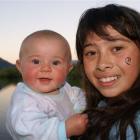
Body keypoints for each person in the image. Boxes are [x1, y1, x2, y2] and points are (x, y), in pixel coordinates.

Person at [6, 30, 88, 140]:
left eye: (55, 62)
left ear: (68, 69)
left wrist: (80, 111)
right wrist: (65, 129)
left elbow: (78, 96)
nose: (45, 68)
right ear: (20, 67)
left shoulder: (64, 88)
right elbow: (30, 132)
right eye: (36, 61)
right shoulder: (25, 101)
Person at [75, 4, 140, 140]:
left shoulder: (133, 126)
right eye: (91, 52)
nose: (102, 64)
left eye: (117, 48)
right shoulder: (101, 107)